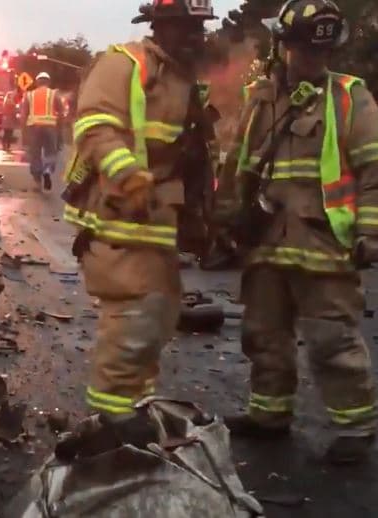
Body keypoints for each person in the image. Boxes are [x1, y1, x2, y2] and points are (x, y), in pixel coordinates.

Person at [220, 0, 378, 464]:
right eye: (303, 49)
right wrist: (223, 220)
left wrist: (371, 232)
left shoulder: (350, 98)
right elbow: (237, 165)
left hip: (322, 243)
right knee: (263, 333)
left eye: (319, 52)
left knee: (332, 339)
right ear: (283, 45)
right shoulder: (261, 99)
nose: (310, 59)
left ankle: (356, 429)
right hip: (266, 242)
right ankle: (269, 414)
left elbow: (374, 171)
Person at [62, 0, 216, 433]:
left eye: (200, 28)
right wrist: (128, 176)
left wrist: (204, 219)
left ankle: (134, 407)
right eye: (186, 27)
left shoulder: (184, 81)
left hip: (155, 223)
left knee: (157, 318)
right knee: (134, 318)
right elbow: (94, 126)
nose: (196, 37)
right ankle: (111, 420)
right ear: (160, 26)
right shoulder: (124, 63)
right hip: (117, 218)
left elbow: (192, 156)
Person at [21, 72, 63, 191]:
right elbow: (61, 113)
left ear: (37, 82)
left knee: (35, 154)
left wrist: (24, 133)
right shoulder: (54, 94)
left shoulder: (29, 95)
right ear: (48, 82)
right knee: (51, 152)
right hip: (50, 127)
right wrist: (59, 131)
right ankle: (47, 170)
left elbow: (23, 115)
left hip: (34, 128)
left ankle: (37, 182)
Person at [1, 88, 18, 152]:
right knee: (8, 133)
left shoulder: (6, 102)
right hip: (9, 120)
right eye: (11, 95)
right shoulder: (10, 102)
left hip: (7, 120)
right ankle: (6, 146)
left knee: (7, 133)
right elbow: (14, 111)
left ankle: (6, 146)